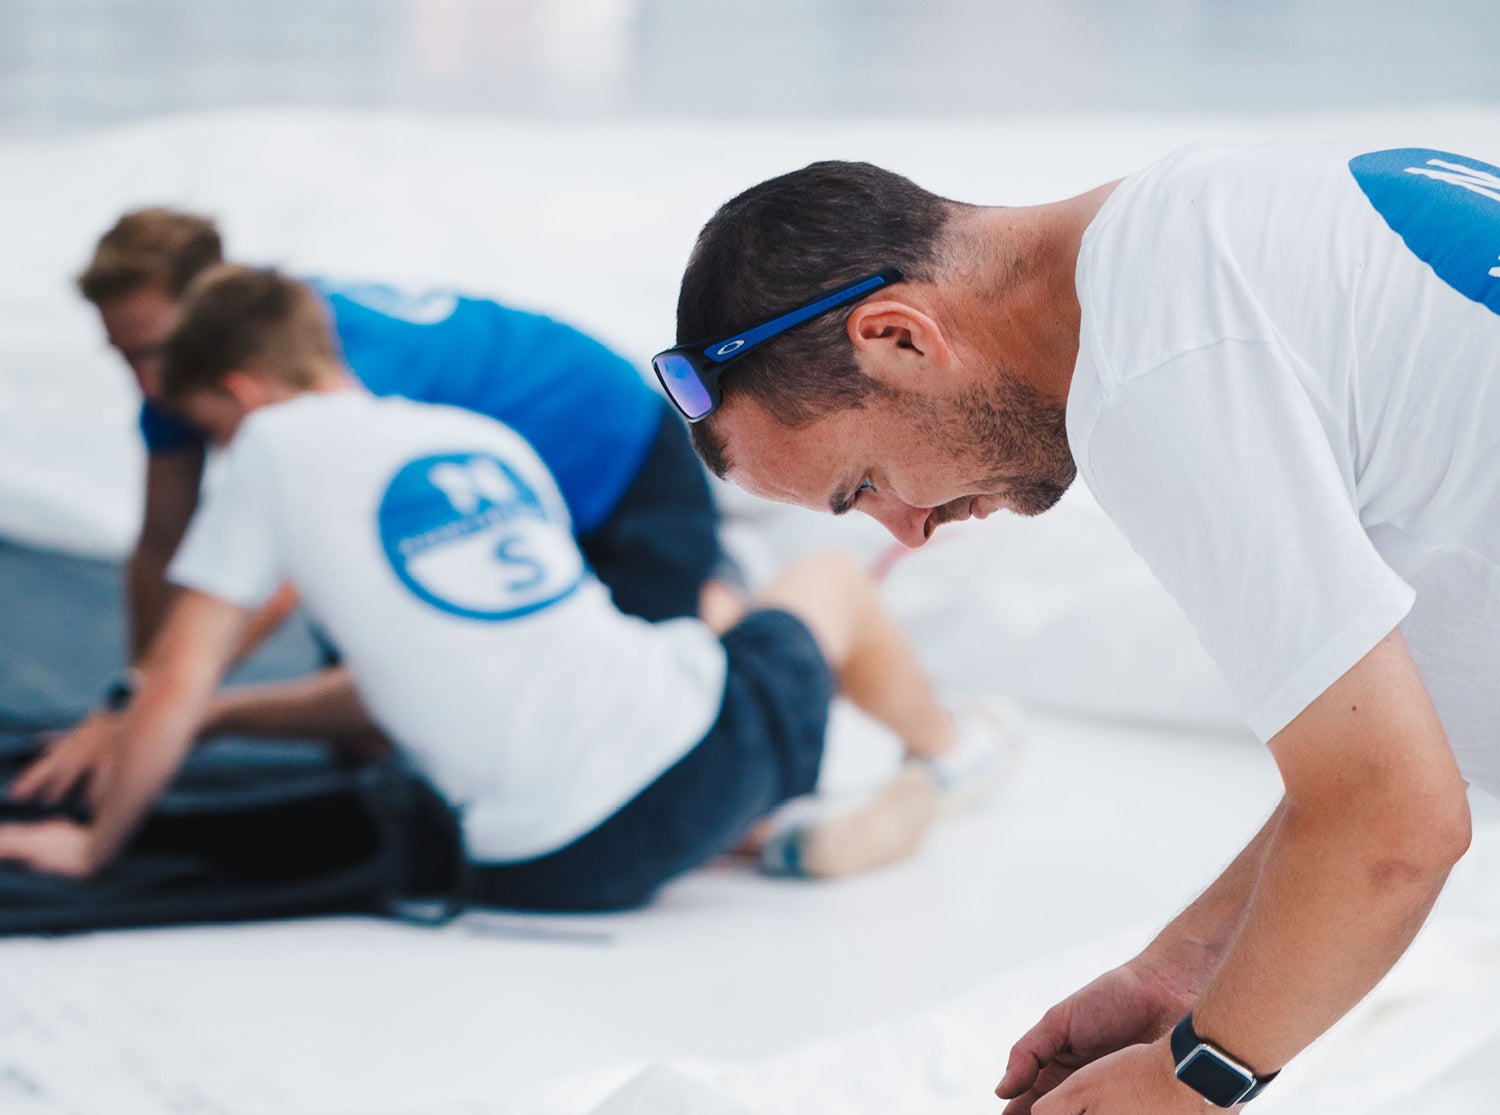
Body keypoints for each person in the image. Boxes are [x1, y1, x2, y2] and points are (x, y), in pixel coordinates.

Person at [657, 146, 1500, 1115]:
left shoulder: (1154, 372)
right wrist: (1186, 970)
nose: (909, 533)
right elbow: (1384, 757)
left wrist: (1200, 1083)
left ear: (900, 337)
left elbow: (1393, 822)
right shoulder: (1211, 237)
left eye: (865, 483)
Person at [0, 267, 1014, 908]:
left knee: (704, 641)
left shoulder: (269, 444)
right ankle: (947, 754)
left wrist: (101, 840)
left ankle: (783, 823)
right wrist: (193, 723)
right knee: (826, 580)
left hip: (536, 869)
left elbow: (179, 674)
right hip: (677, 778)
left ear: (239, 392)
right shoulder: (480, 437)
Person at [14, 208, 733, 804]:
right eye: (122, 355)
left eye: (152, 353)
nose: (144, 383)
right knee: (376, 736)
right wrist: (140, 710)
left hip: (622, 458)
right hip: (486, 490)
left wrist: (138, 708)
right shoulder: (183, 374)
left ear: (205, 320)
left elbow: (274, 581)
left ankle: (724, 613)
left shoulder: (328, 360)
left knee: (631, 742)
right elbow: (160, 543)